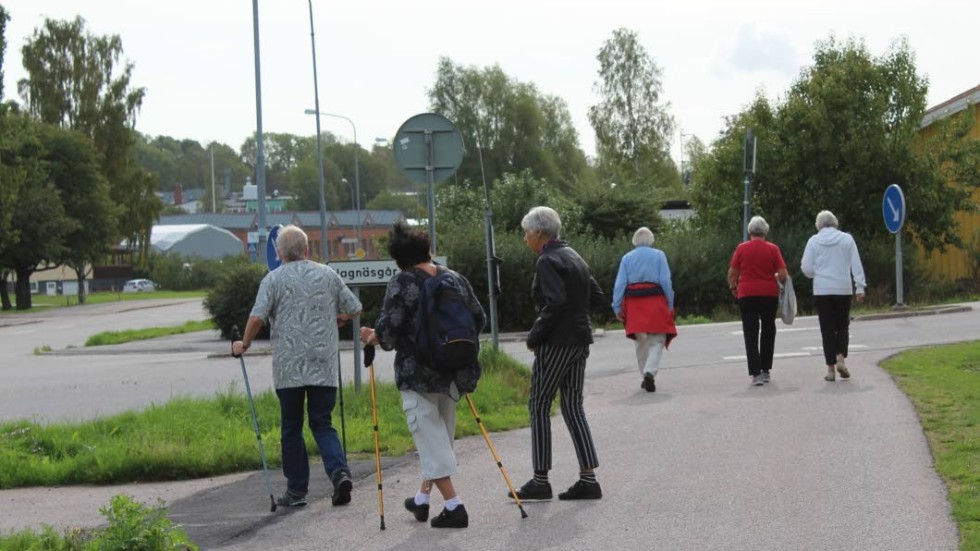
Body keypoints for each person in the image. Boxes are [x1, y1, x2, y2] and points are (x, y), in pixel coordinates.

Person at [359, 222, 485, 529]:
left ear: (399, 258)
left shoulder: (402, 281)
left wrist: (372, 336)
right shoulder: (453, 277)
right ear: (427, 249)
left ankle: (455, 506)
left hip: (417, 374)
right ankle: (421, 499)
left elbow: (389, 331)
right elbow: (478, 318)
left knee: (430, 440)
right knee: (440, 438)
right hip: (452, 371)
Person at [232, 225, 362, 508]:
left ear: (279, 254)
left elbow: (257, 318)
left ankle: (296, 491)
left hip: (288, 367)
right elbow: (354, 307)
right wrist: (336, 317)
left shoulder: (273, 279)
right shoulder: (328, 274)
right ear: (307, 249)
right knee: (322, 423)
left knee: (291, 428)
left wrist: (244, 343)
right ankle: (339, 473)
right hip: (323, 365)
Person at [511, 206, 605, 503]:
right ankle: (588, 478)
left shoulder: (547, 261)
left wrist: (535, 335)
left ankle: (540, 481)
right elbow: (597, 297)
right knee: (573, 407)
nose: (525, 238)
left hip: (557, 342)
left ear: (539, 233)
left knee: (538, 404)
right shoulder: (574, 256)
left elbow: (555, 302)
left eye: (526, 233)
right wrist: (579, 317)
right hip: (580, 339)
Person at [801, 210, 866, 382]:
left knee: (827, 329)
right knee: (842, 326)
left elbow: (806, 267)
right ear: (835, 223)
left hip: (822, 290)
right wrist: (860, 287)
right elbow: (856, 263)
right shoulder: (847, 239)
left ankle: (830, 369)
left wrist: (818, 274)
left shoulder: (813, 241)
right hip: (843, 289)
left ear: (819, 225)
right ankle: (841, 359)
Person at [612, 227, 677, 393]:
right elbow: (665, 281)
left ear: (634, 241)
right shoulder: (659, 255)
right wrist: (669, 303)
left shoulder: (626, 258)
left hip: (634, 304)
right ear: (651, 240)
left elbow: (620, 284)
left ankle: (644, 375)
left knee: (640, 342)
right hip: (655, 300)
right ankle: (650, 372)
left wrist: (617, 306)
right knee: (657, 340)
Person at [727, 216, 789, 386]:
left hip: (746, 294)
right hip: (769, 294)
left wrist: (733, 287)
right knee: (768, 330)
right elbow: (783, 274)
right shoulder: (773, 249)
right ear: (765, 231)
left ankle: (755, 374)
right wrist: (776, 279)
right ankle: (766, 370)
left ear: (750, 231)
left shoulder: (741, 248)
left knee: (750, 332)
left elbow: (732, 272)